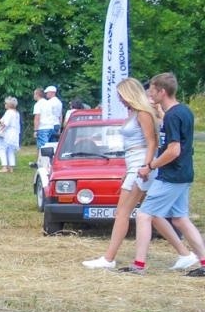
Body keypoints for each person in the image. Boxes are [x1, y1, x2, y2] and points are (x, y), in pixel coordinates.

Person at [122, 72, 205, 273]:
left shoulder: (172, 116)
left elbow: (174, 149)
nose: (149, 94)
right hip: (184, 173)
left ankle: (138, 265)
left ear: (162, 91)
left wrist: (150, 166)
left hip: (171, 175)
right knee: (179, 219)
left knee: (144, 215)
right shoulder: (184, 111)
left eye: (152, 90)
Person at [84, 77, 167, 270]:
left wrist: (147, 166)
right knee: (152, 213)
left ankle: (109, 258)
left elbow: (152, 142)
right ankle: (185, 252)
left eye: (121, 95)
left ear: (129, 93)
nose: (120, 99)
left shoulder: (143, 114)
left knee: (122, 212)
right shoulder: (135, 113)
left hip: (140, 167)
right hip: (134, 166)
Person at [0, 96, 21, 172]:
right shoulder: (16, 113)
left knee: (2, 149)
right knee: (11, 150)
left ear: (9, 105)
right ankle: (11, 167)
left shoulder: (9, 112)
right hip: (14, 134)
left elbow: (5, 123)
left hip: (7, 134)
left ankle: (4, 167)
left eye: (5, 103)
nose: (4, 104)